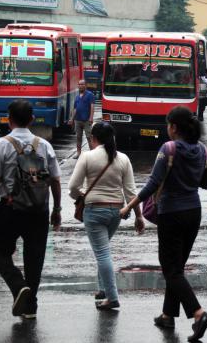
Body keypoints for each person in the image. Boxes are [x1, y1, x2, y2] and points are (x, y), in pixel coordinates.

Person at [120, 106, 207, 342]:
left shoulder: (168, 148)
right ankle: (167, 315)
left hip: (171, 213)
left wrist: (129, 206)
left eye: (168, 125)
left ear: (174, 127)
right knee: (177, 267)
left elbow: (152, 184)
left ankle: (198, 313)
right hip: (194, 212)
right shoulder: (203, 150)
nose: (167, 129)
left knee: (171, 269)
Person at [0, 99, 62, 319]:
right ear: (32, 119)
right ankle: (30, 307)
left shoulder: (1, 144)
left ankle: (18, 287)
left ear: (9, 121)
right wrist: (56, 209)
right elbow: (55, 180)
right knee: (34, 258)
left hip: (10, 209)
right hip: (39, 210)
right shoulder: (44, 145)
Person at [68, 121, 143, 310]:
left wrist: (83, 195)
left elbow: (73, 187)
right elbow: (131, 192)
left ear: (93, 138)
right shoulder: (123, 159)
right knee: (104, 250)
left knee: (102, 254)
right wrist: (138, 216)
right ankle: (102, 289)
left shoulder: (87, 157)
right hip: (117, 212)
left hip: (94, 211)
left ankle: (112, 296)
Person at [69, 80, 95, 159]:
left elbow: (92, 106)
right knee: (78, 137)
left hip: (86, 120)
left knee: (89, 137)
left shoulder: (90, 95)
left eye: (82, 84)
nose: (80, 86)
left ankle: (92, 154)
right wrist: (72, 119)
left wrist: (91, 117)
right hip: (78, 120)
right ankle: (78, 153)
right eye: (79, 84)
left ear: (85, 85)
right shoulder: (77, 97)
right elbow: (75, 109)